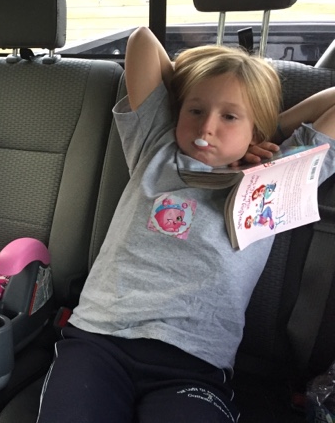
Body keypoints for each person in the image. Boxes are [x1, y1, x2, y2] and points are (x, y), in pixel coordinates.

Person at [35, 26, 335, 422]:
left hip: (194, 363)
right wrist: (199, 85)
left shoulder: (275, 181)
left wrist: (274, 129)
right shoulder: (155, 146)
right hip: (100, 339)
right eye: (195, 110)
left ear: (256, 129)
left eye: (230, 116)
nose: (207, 127)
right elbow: (142, 42)